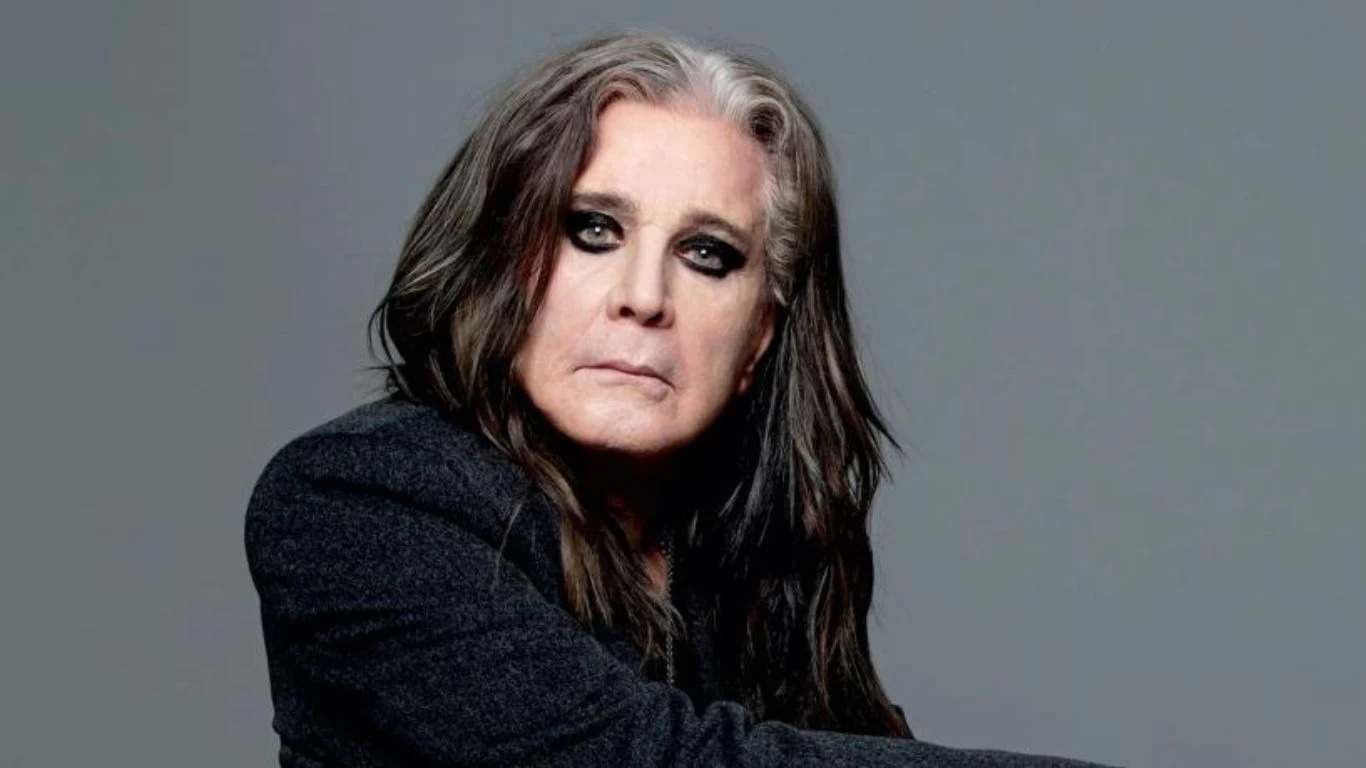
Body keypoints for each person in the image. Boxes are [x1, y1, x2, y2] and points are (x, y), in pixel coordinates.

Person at [244, 29, 1119, 767]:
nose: (644, 297)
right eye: (592, 230)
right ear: (500, 266)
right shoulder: (355, 500)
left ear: (759, 337)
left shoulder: (751, 550)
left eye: (708, 254)